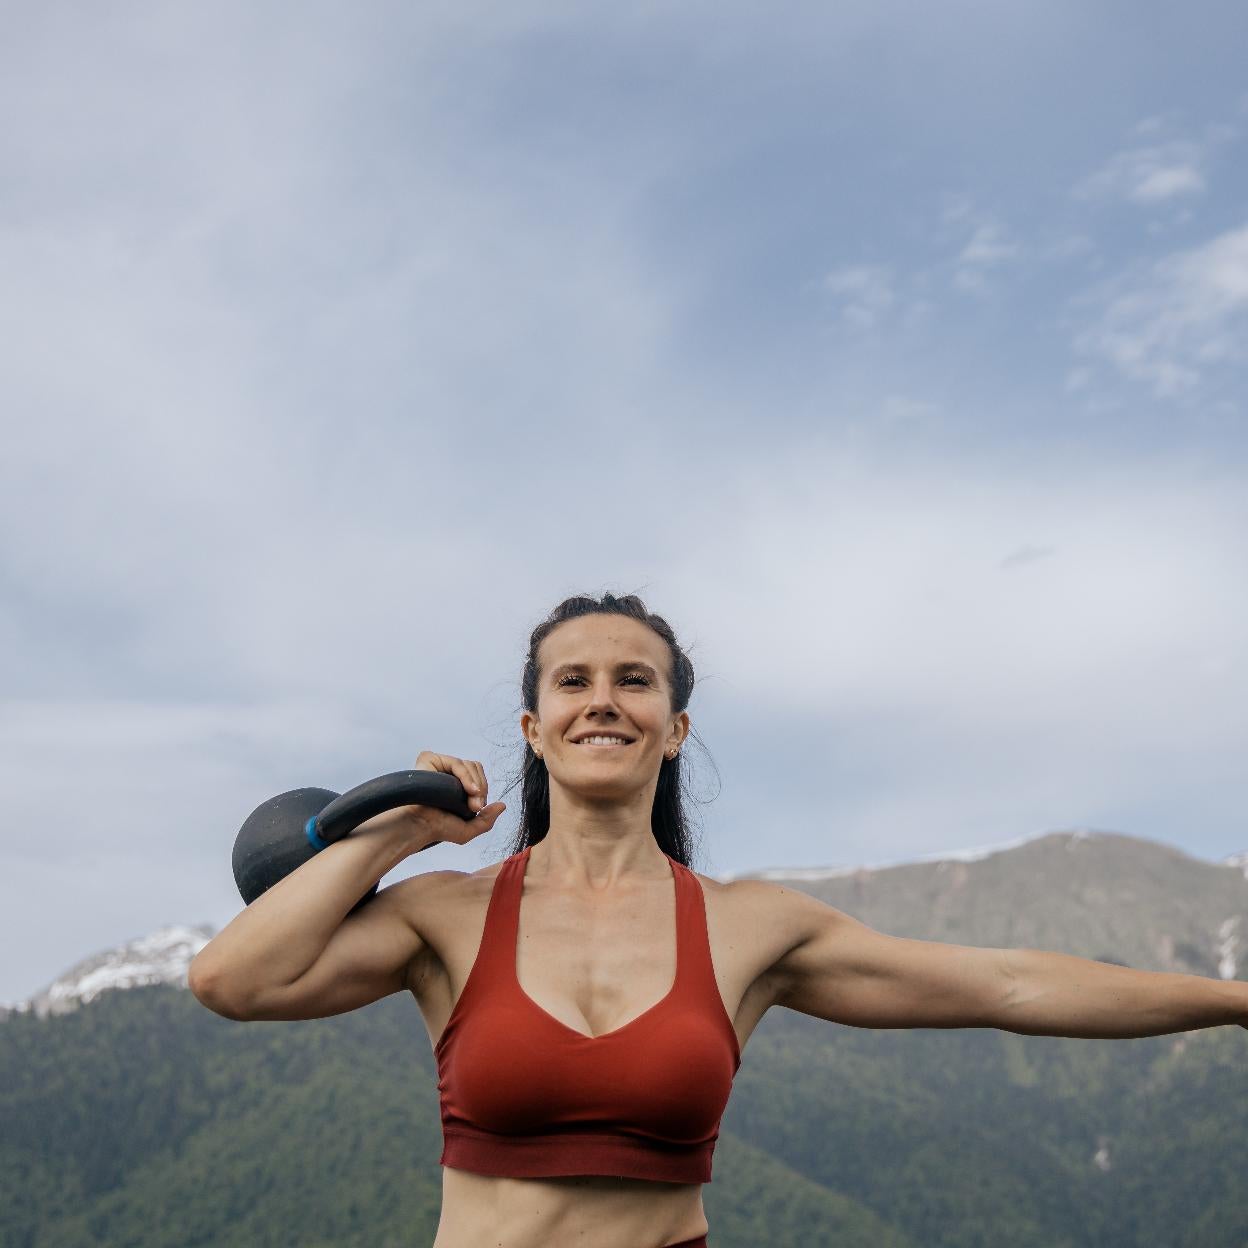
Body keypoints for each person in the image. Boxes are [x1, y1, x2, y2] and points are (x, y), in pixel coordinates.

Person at [189, 592, 1248, 1248]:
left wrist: (1237, 1002)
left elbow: (1010, 986)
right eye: (574, 681)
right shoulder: (445, 918)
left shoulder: (751, 929)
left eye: (634, 680)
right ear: (535, 727)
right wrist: (401, 831)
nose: (603, 699)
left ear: (675, 725)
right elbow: (232, 982)